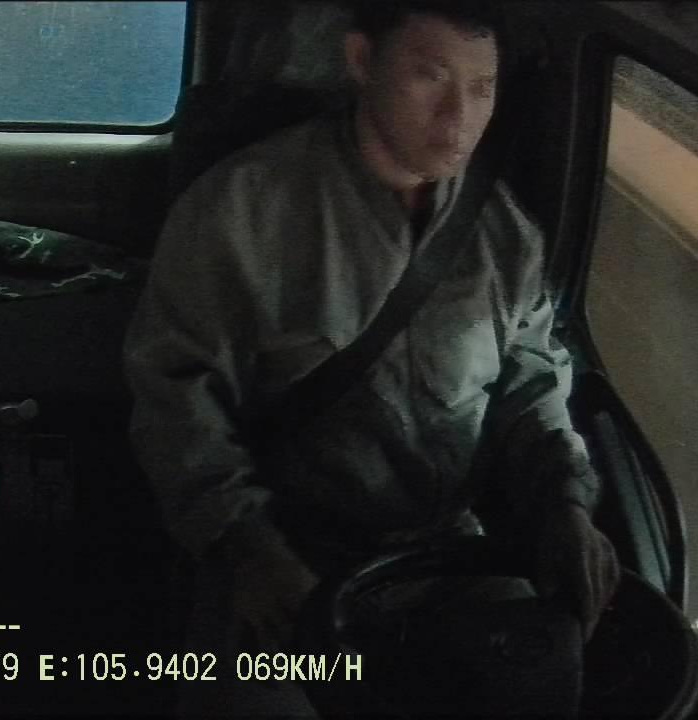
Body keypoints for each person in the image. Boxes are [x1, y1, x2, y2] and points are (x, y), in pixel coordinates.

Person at [124, 1, 621, 715]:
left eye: (483, 87)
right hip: (279, 552)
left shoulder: (506, 238)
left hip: (447, 553)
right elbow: (175, 400)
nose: (458, 117)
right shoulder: (240, 211)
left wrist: (563, 505)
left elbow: (533, 388)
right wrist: (244, 545)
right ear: (362, 62)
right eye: (430, 76)